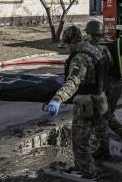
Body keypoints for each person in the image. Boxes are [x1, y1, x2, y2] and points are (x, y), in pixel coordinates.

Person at [46, 25, 108, 179]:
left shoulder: (80, 57)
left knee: (80, 141)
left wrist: (57, 98)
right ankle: (88, 164)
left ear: (72, 42)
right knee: (98, 134)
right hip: (100, 99)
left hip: (86, 104)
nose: (66, 49)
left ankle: (88, 173)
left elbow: (73, 81)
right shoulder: (94, 49)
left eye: (67, 45)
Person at [84, 20, 122, 159]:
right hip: (117, 84)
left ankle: (105, 149)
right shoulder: (109, 42)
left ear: (92, 34)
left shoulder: (98, 48)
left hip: (110, 87)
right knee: (106, 115)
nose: (86, 36)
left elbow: (100, 70)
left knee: (101, 117)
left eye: (87, 33)